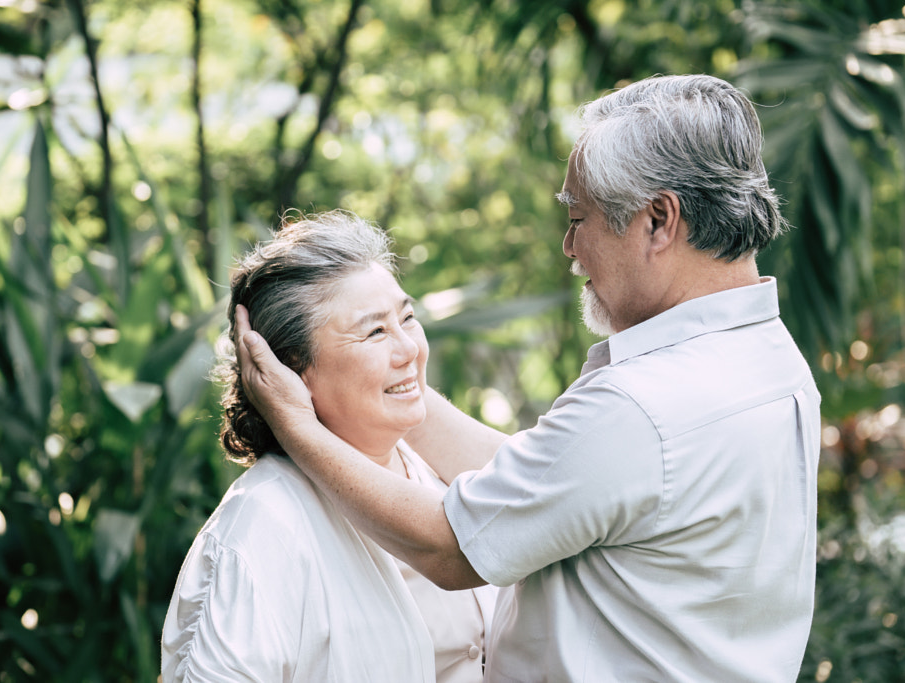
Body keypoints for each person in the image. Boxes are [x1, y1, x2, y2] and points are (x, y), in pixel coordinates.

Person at [235, 74, 821, 682]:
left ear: (658, 221)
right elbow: (560, 485)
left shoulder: (644, 408)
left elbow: (452, 544)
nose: (569, 246)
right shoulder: (770, 362)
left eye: (580, 217)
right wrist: (395, 374)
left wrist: (298, 423)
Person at [161, 210, 496, 682]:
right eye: (375, 331)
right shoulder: (264, 525)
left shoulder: (439, 470)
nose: (410, 350)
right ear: (293, 370)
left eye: (408, 318)